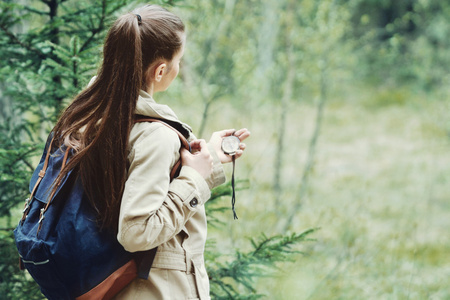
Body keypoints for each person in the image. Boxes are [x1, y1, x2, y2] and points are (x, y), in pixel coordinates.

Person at [49, 4, 250, 300]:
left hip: (102, 283)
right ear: (160, 71)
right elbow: (136, 232)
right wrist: (196, 179)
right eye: (178, 60)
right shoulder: (155, 136)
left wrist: (207, 162)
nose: (179, 68)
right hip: (153, 290)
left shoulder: (84, 117)